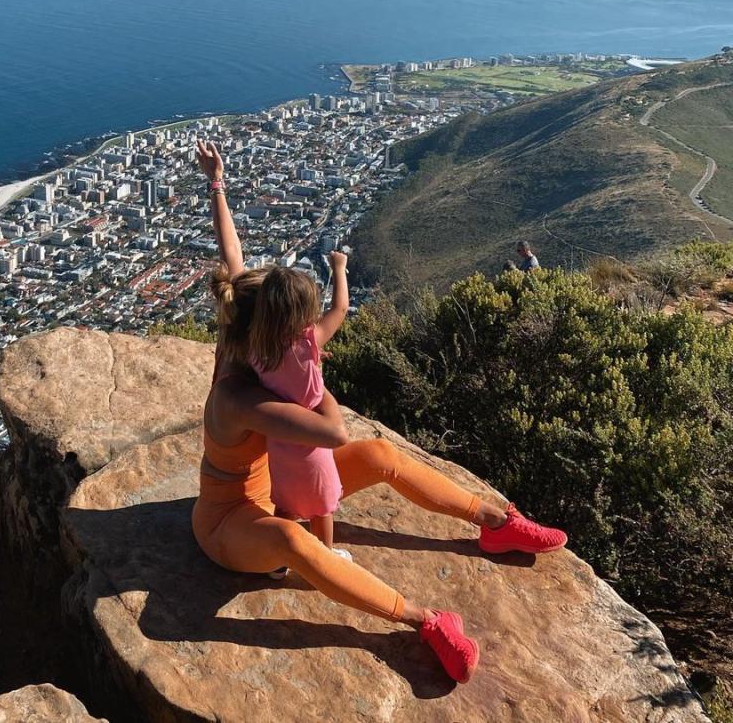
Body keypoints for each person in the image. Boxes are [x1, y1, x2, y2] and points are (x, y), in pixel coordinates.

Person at [191, 138, 568, 685]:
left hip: (278, 487)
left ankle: (495, 523)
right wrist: (314, 378)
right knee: (294, 542)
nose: (307, 333)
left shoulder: (241, 336)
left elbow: (233, 261)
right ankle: (422, 621)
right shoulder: (242, 397)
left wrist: (217, 182)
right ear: (275, 333)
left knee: (384, 454)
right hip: (229, 524)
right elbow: (331, 432)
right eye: (299, 328)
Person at [249, 251, 351, 571]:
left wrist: (312, 357)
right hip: (312, 445)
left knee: (286, 506)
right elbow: (341, 308)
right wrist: (339, 267)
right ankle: (325, 559)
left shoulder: (257, 346)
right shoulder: (309, 343)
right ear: (305, 311)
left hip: (279, 442)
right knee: (322, 509)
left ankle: (279, 560)